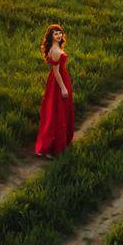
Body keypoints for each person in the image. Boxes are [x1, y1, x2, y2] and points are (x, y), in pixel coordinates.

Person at [34, 23, 74, 157]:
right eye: (55, 34)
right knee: (58, 111)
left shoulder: (55, 47)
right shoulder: (55, 51)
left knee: (56, 110)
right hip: (59, 82)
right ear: (51, 36)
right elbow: (56, 72)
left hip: (59, 79)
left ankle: (53, 144)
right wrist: (63, 88)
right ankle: (53, 147)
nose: (58, 35)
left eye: (60, 33)